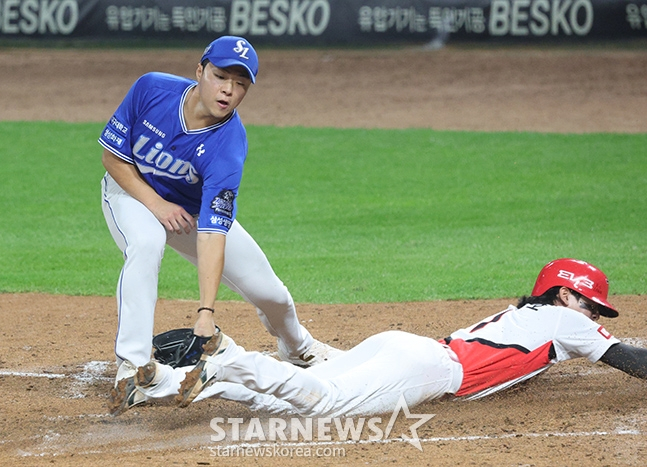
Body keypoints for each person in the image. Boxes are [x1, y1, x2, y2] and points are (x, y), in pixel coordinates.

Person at [98, 35, 342, 415]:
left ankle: (299, 347)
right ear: (199, 71)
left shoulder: (228, 145)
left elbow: (212, 232)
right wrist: (157, 204)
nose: (228, 90)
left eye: (240, 84)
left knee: (271, 293)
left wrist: (206, 312)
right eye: (220, 77)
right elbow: (113, 158)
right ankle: (132, 368)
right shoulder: (152, 89)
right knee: (146, 244)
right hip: (129, 193)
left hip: (191, 214)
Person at [130, 258, 647, 418]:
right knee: (321, 406)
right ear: (562, 294)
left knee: (281, 407)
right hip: (430, 368)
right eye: (589, 301)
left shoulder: (531, 315)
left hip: (404, 347)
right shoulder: (567, 320)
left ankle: (165, 380)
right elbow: (630, 360)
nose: (593, 312)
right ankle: (230, 361)